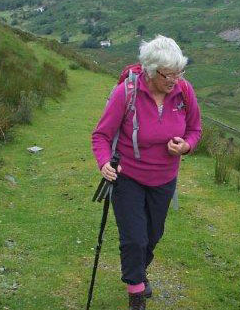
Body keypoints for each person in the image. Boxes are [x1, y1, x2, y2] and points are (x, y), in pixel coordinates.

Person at [92, 35, 202, 310]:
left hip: (164, 179)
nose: (175, 80)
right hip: (127, 176)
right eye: (169, 75)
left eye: (179, 73)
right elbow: (101, 135)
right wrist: (105, 162)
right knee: (135, 239)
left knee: (153, 236)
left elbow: (195, 129)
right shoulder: (126, 93)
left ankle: (138, 271)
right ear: (151, 72)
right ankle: (136, 294)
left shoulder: (184, 92)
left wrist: (186, 146)